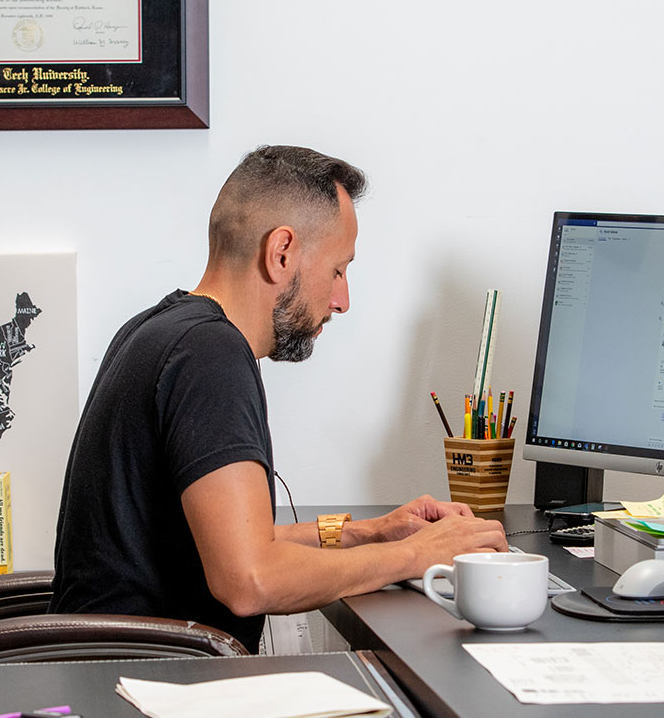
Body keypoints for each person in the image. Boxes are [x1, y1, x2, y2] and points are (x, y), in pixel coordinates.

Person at [49, 145, 508, 652]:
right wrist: (417, 556)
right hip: (151, 685)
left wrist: (373, 532)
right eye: (337, 270)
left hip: (117, 670)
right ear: (281, 252)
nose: (342, 300)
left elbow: (235, 546)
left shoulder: (159, 329)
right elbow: (250, 579)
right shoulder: (210, 355)